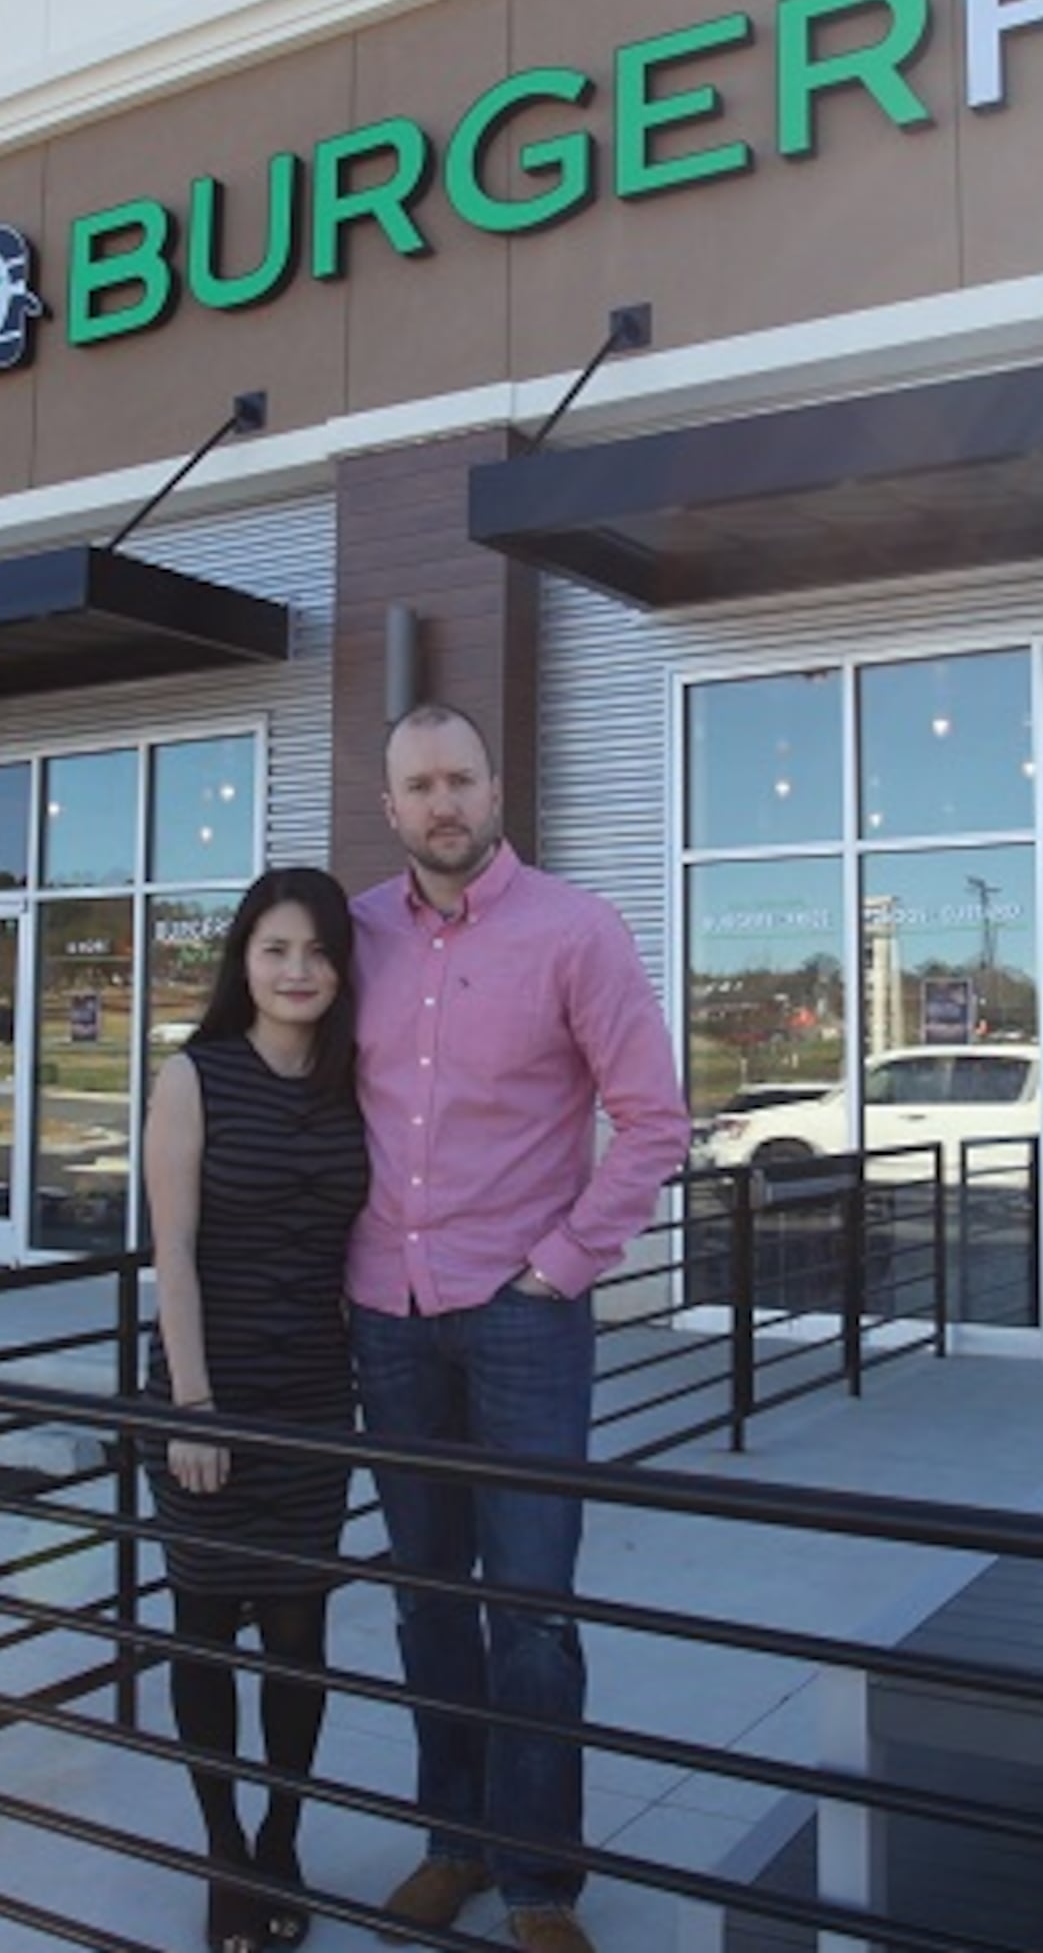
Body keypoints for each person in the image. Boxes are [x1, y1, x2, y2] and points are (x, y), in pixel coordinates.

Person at [349, 704, 687, 1953]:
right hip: (386, 1313)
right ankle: (454, 1841)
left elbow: (654, 1118)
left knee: (533, 1605)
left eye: (461, 779)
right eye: (418, 785)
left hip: (522, 1320)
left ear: (496, 790)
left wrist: (561, 1266)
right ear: (389, 807)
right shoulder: (357, 935)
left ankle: (539, 1879)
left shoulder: (576, 931)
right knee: (428, 1597)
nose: (443, 803)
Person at [143, 866, 370, 1953]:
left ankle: (281, 1838)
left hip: (315, 1400)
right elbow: (171, 1253)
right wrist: (193, 1407)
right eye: (277, 950)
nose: (298, 971)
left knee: (297, 1633)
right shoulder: (194, 1078)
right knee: (204, 1628)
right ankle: (224, 1857)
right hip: (210, 1389)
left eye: (319, 953)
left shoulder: (354, 1083)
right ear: (244, 959)